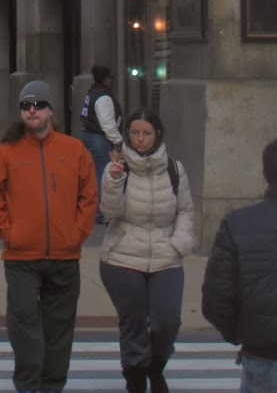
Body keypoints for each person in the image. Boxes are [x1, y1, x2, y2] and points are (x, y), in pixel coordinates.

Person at [0, 78, 98, 393]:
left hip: (64, 253)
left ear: (50, 110)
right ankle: (28, 380)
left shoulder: (73, 150)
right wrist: (7, 231)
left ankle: (52, 383)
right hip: (21, 255)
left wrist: (78, 233)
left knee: (59, 325)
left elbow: (89, 195)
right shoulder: (8, 151)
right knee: (23, 319)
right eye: (26, 106)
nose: (32, 111)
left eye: (38, 105)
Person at [202, 134, 277, 393]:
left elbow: (216, 297)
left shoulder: (238, 223)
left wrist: (243, 334)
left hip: (262, 354)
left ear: (265, 174)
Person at [99, 108, 195, 393]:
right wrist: (114, 180)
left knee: (167, 320)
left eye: (146, 133)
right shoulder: (117, 168)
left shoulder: (174, 170)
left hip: (165, 254)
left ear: (157, 135)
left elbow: (186, 210)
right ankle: (136, 378)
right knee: (134, 320)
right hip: (122, 255)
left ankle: (156, 365)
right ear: (127, 135)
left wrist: (179, 243)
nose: (140, 139)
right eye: (135, 133)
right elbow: (109, 212)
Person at [80, 64, 123, 210]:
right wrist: (118, 141)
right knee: (103, 174)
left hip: (90, 135)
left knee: (95, 174)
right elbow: (107, 123)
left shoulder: (93, 92)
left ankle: (95, 209)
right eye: (110, 78)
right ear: (105, 79)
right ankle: (99, 211)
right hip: (99, 138)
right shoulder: (103, 96)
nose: (112, 81)